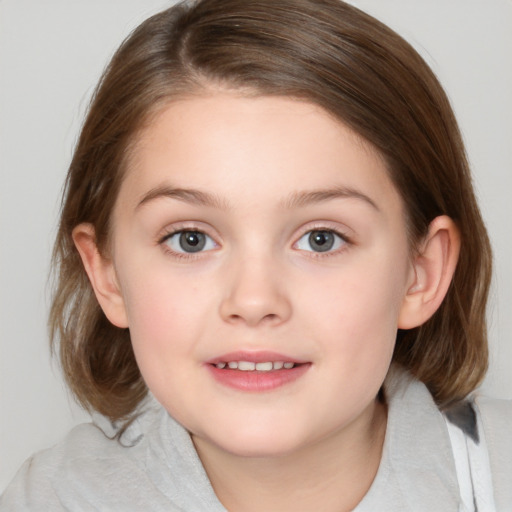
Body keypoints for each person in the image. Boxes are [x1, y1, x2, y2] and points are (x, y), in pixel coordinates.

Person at [1, 0, 510, 510]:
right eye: (190, 239)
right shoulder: (51, 498)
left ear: (420, 272)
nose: (254, 300)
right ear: (107, 275)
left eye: (321, 239)